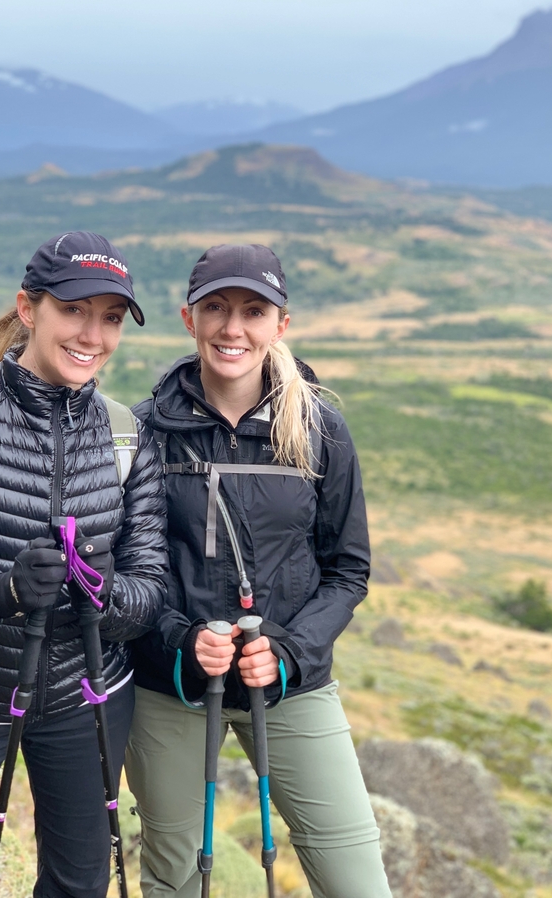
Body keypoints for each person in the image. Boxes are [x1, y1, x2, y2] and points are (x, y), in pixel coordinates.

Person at [0, 231, 168, 898]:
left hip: (87, 702)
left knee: (79, 888)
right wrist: (3, 590)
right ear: (28, 308)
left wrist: (101, 596)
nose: (93, 334)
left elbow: (150, 592)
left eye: (110, 318)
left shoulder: (126, 437)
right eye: (74, 309)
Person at [125, 244, 393, 898]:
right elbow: (129, 576)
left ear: (282, 324)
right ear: (188, 319)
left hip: (292, 685)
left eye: (253, 310)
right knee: (177, 875)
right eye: (215, 308)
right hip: (173, 685)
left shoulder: (319, 427)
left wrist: (290, 653)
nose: (232, 327)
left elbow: (348, 570)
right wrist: (184, 638)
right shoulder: (145, 432)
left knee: (354, 873)